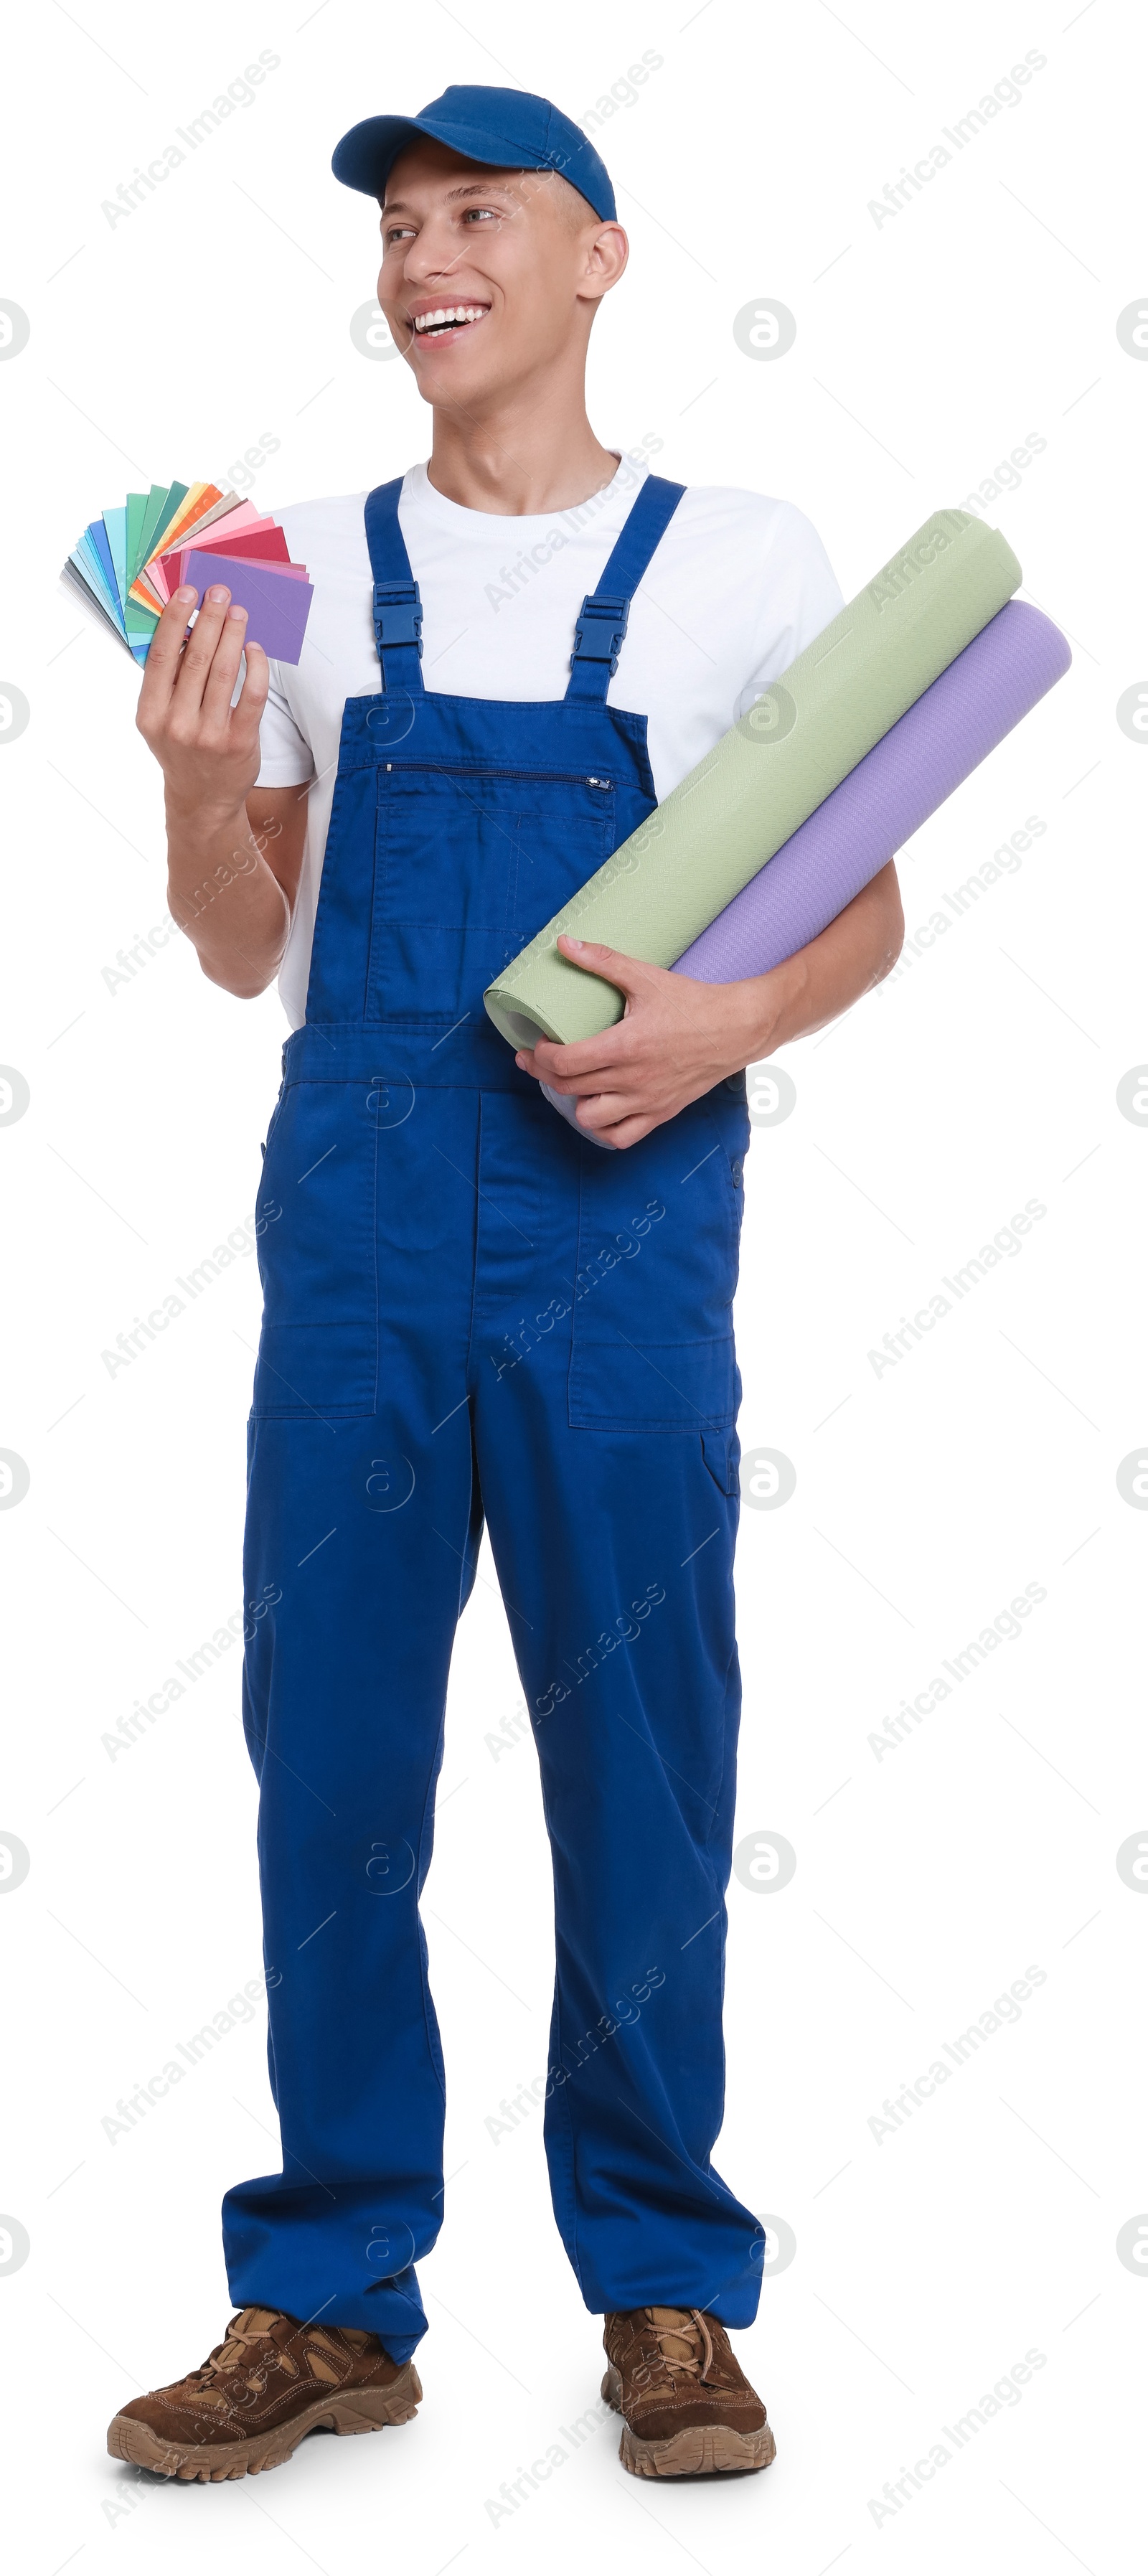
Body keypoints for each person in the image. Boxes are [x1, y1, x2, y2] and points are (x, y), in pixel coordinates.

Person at [108, 85, 903, 2486]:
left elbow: (852, 890)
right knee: (329, 1768)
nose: (423, 257)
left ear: (599, 258)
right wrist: (184, 782)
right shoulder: (277, 570)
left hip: (619, 1239)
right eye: (398, 224)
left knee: (645, 1770)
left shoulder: (748, 561)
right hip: (355, 1236)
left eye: (480, 214)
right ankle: (330, 2291)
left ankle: (664, 2278)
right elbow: (249, 943)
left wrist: (731, 1023)